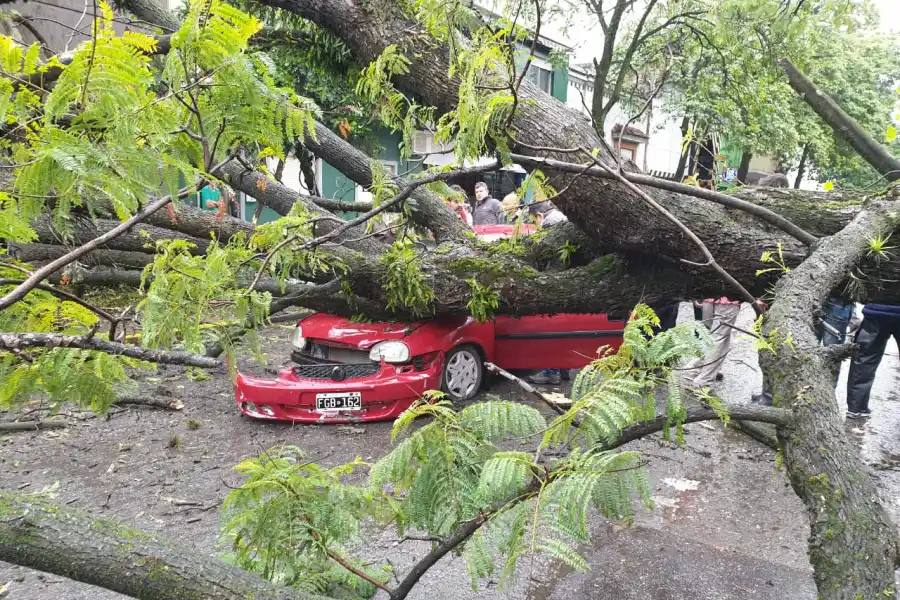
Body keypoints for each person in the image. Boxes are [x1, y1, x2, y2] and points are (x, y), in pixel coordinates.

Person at [527, 201, 571, 386]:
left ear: (539, 215)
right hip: (568, 283)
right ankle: (563, 369)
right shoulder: (563, 218)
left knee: (551, 332)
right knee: (562, 332)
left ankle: (551, 372)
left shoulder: (549, 223)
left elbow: (543, 256)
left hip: (555, 284)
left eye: (534, 221)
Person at [845, 303, 900, 419]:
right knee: (865, 358)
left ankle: (857, 408)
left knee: (865, 359)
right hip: (877, 312)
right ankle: (857, 408)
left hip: (876, 312)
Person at [683, 297, 740, 388]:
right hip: (728, 301)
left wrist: (697, 296)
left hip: (708, 298)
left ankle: (698, 369)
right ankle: (703, 378)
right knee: (718, 337)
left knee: (713, 334)